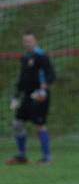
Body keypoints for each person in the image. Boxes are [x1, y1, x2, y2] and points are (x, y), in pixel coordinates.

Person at [6, 31, 56, 165]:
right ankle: (22, 156)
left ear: (35, 41)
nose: (27, 43)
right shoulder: (25, 57)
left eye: (29, 41)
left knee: (40, 125)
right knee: (18, 123)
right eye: (25, 41)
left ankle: (47, 158)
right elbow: (22, 79)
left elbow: (51, 74)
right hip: (27, 96)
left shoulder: (41, 56)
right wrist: (16, 97)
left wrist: (44, 87)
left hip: (40, 95)